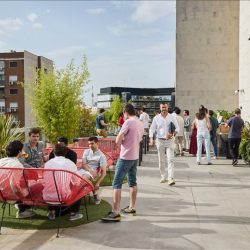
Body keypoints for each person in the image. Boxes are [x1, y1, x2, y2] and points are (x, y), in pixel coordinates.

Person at [101, 104, 144, 221]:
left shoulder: (128, 122)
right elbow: (138, 139)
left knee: (116, 183)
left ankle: (115, 212)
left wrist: (120, 141)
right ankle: (132, 207)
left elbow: (118, 138)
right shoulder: (140, 123)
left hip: (125, 157)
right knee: (132, 182)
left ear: (125, 112)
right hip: (135, 156)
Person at [44, 144, 83, 221]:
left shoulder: (47, 164)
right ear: (66, 153)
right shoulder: (71, 164)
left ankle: (52, 213)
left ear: (54, 153)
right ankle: (73, 214)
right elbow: (77, 183)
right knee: (80, 189)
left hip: (47, 197)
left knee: (50, 188)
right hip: (64, 197)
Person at [0, 141, 36, 219]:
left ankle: (22, 208)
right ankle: (22, 210)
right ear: (20, 151)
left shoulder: (1, 161)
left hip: (1, 194)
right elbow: (14, 185)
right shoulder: (17, 165)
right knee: (38, 185)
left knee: (26, 184)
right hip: (12, 195)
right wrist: (22, 198)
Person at [149, 103, 179, 185]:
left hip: (170, 140)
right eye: (162, 107)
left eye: (165, 107)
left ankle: (170, 178)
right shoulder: (156, 118)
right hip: (160, 141)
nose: (164, 109)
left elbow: (177, 128)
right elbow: (151, 129)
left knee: (170, 159)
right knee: (161, 160)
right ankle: (163, 176)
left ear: (167, 107)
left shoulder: (172, 117)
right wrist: (151, 139)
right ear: (160, 108)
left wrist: (172, 134)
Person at [77, 137, 107, 205]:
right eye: (89, 144)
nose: (90, 145)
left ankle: (77, 197)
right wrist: (90, 170)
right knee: (72, 178)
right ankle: (95, 194)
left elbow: (104, 173)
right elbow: (84, 164)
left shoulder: (101, 156)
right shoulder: (86, 151)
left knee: (83, 179)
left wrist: (98, 183)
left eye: (92, 144)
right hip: (84, 169)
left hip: (91, 172)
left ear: (97, 143)